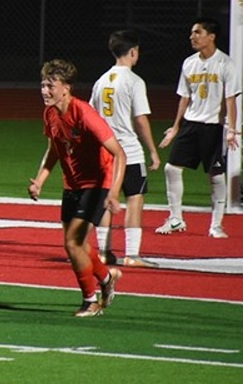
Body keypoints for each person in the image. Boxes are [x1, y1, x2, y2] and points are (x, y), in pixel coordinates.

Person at [28, 59, 125, 318]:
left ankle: (90, 301)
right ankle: (105, 279)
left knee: (73, 244)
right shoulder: (50, 113)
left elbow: (119, 153)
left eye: (50, 85)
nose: (44, 91)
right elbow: (53, 151)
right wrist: (40, 181)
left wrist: (114, 192)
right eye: (42, 85)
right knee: (76, 245)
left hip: (96, 184)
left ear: (66, 87)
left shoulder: (84, 113)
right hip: (71, 184)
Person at [156, 17, 241, 238]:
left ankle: (216, 224)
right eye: (192, 33)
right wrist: (175, 127)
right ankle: (175, 218)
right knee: (171, 168)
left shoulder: (226, 64)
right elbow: (184, 98)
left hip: (213, 126)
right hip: (191, 123)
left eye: (197, 32)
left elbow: (230, 100)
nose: (192, 37)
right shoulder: (189, 63)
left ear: (211, 36)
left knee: (215, 173)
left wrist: (232, 129)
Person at [89, 29, 161, 268]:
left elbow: (91, 117)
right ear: (133, 52)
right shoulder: (134, 81)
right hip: (128, 150)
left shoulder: (101, 81)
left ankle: (104, 251)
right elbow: (140, 120)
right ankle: (132, 253)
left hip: (104, 151)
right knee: (135, 197)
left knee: (107, 200)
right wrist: (152, 150)